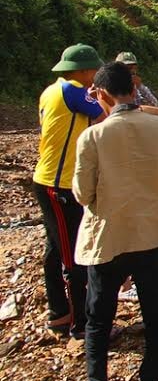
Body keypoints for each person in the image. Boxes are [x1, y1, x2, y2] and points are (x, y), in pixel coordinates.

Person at [72, 61, 158, 381]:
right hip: (149, 235)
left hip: (108, 239)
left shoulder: (92, 136)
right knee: (155, 317)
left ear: (101, 94)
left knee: (99, 322)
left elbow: (82, 194)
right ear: (134, 90)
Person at [32, 43, 110, 340]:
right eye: (93, 70)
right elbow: (108, 111)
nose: (95, 76)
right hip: (60, 185)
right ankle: (81, 325)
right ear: (80, 71)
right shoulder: (73, 91)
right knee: (74, 256)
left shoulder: (51, 91)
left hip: (48, 180)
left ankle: (59, 312)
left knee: (55, 249)